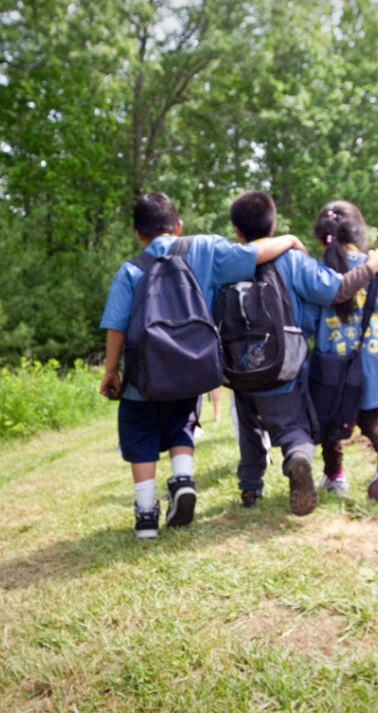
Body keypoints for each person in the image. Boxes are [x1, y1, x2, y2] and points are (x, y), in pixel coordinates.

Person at [99, 191, 309, 539]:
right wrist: (289, 239)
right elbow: (255, 253)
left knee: (139, 434)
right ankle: (182, 478)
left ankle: (146, 514)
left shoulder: (130, 270)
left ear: (138, 233)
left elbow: (116, 325)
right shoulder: (206, 249)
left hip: (143, 376)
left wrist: (111, 370)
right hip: (191, 369)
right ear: (178, 226)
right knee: (182, 424)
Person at [227, 191, 378, 516]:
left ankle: (250, 488)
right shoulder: (293, 260)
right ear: (272, 225)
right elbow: (335, 289)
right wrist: (370, 267)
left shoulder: (228, 260)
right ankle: (297, 457)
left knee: (248, 426)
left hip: (237, 363)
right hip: (282, 361)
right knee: (292, 427)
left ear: (237, 230)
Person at [306, 200, 378, 500]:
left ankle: (335, 476)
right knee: (372, 415)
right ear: (358, 231)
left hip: (333, 362)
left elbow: (311, 319)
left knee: (329, 420)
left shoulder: (319, 273)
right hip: (372, 358)